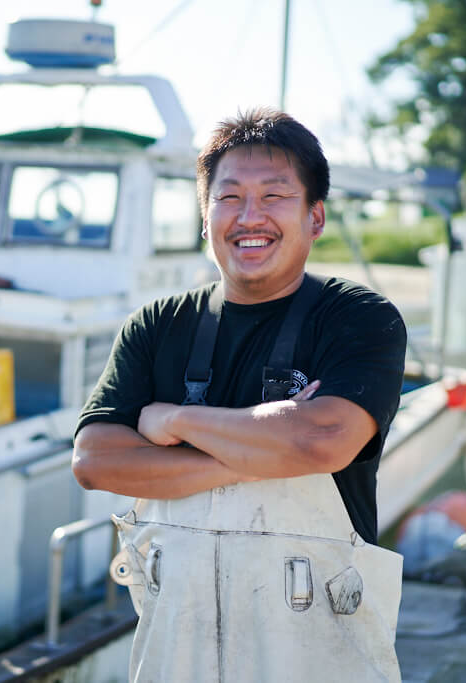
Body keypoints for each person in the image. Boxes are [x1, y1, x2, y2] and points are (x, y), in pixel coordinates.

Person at [72, 108, 406, 682]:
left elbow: (325, 439)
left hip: (320, 658)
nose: (250, 216)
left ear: (315, 216)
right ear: (205, 218)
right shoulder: (155, 326)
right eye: (229, 197)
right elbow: (95, 460)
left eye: (275, 195)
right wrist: (270, 447)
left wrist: (172, 419)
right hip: (176, 656)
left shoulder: (359, 318)